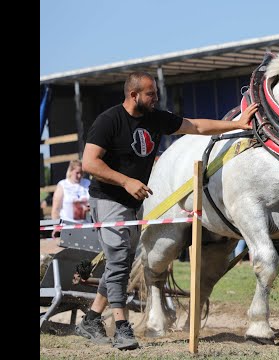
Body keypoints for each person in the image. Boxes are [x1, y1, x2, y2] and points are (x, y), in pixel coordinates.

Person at [77, 71, 258, 350]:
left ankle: (90, 319)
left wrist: (234, 125)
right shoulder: (109, 120)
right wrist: (126, 181)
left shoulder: (155, 118)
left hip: (133, 202)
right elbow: (89, 162)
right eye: (151, 94)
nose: (156, 98)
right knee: (119, 260)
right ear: (133, 95)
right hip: (108, 199)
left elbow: (196, 126)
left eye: (156, 94)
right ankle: (123, 327)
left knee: (120, 261)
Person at [51, 160, 91, 224]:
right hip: (66, 225)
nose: (79, 175)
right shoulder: (63, 185)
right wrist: (56, 227)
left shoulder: (87, 183)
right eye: (77, 173)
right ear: (71, 171)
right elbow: (56, 209)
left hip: (85, 224)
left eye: (81, 173)